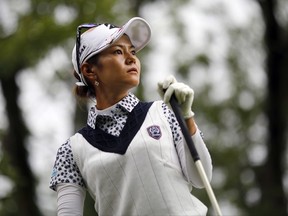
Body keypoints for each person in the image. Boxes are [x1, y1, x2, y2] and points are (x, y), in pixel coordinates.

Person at [49, 17, 213, 216]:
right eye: (118, 51)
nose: (131, 58)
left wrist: (186, 116)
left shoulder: (165, 111)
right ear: (90, 70)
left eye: (132, 51)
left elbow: (201, 177)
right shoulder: (71, 151)